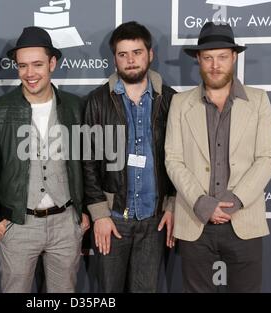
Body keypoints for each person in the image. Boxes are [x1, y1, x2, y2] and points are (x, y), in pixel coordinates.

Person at [165, 22, 271, 292]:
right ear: (198, 59)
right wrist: (202, 203)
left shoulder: (259, 100)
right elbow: (173, 159)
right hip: (196, 221)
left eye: (222, 57)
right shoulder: (180, 103)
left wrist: (234, 200)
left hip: (244, 219)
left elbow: (267, 157)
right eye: (208, 58)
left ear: (234, 57)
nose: (215, 65)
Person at [0, 26, 90, 293]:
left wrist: (86, 211)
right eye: (22, 66)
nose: (30, 74)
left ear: (52, 63)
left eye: (37, 64)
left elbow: (88, 163)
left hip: (66, 222)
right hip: (19, 224)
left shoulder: (75, 106)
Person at [82, 21, 176, 293]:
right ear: (115, 59)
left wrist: (171, 206)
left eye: (137, 52)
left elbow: (179, 159)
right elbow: (87, 161)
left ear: (150, 54)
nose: (130, 60)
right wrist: (99, 214)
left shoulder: (171, 100)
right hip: (112, 218)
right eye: (123, 54)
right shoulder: (97, 101)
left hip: (153, 218)